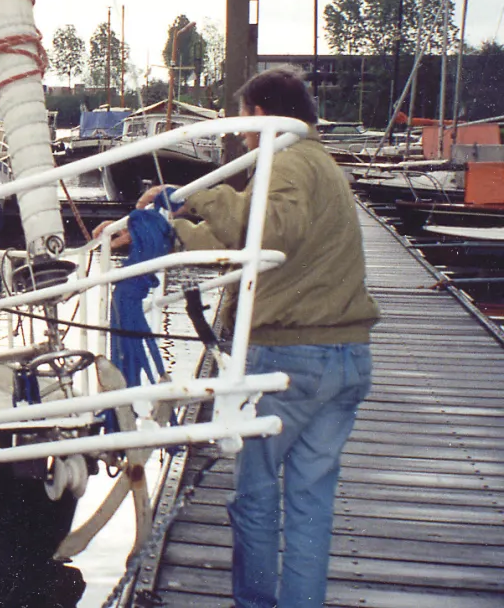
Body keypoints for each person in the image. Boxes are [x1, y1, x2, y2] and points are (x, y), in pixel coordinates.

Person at [100, 67, 378, 608]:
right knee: (308, 503)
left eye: (243, 123)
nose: (241, 137)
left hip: (293, 359)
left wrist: (200, 195)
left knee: (254, 499)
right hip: (345, 357)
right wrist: (173, 228)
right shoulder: (321, 163)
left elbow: (267, 229)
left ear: (258, 114)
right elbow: (258, 232)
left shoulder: (289, 161)